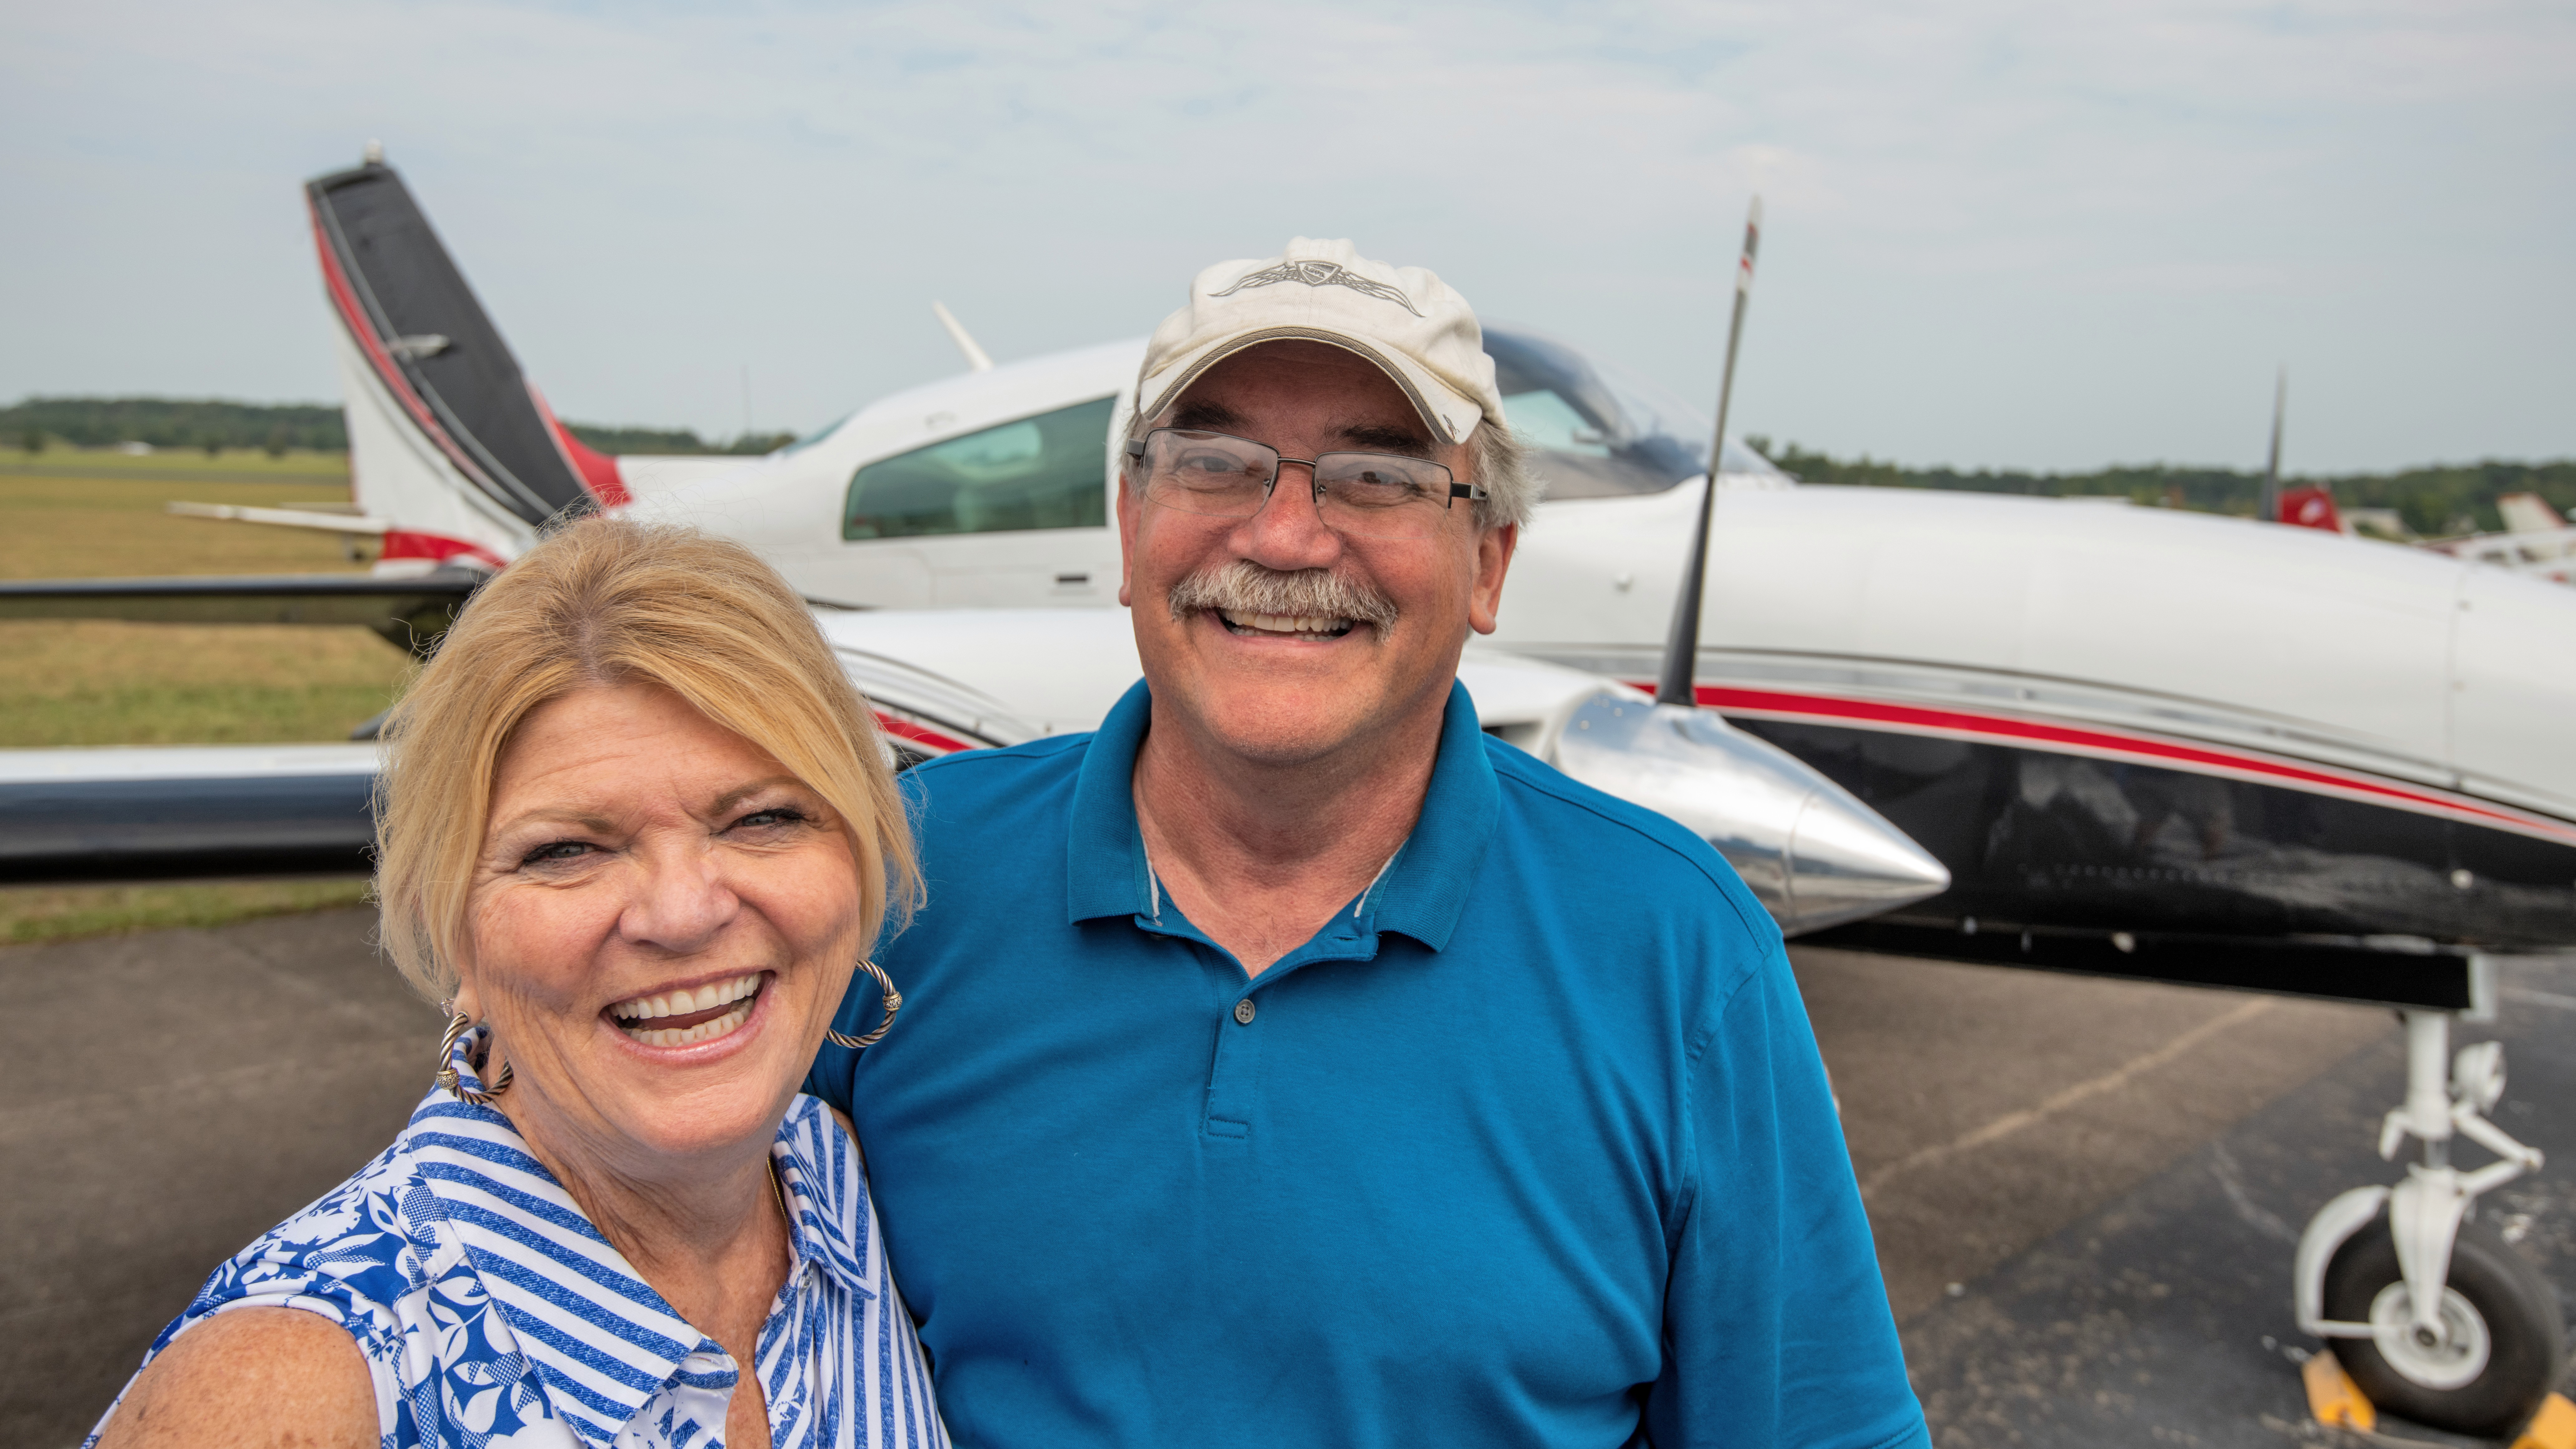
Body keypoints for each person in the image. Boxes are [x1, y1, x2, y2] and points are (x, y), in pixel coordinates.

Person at [808, 238, 1929, 1446]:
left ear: (1488, 563)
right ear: (1131, 528)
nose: (1286, 538)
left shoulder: (1678, 946)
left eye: (1378, 478)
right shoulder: (904, 875)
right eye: (1216, 463)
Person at [92, 520, 947, 1449]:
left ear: (859, 861)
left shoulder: (859, 1189)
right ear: (451, 926)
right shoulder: (293, 1391)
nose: (683, 911)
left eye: (766, 817)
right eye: (566, 849)